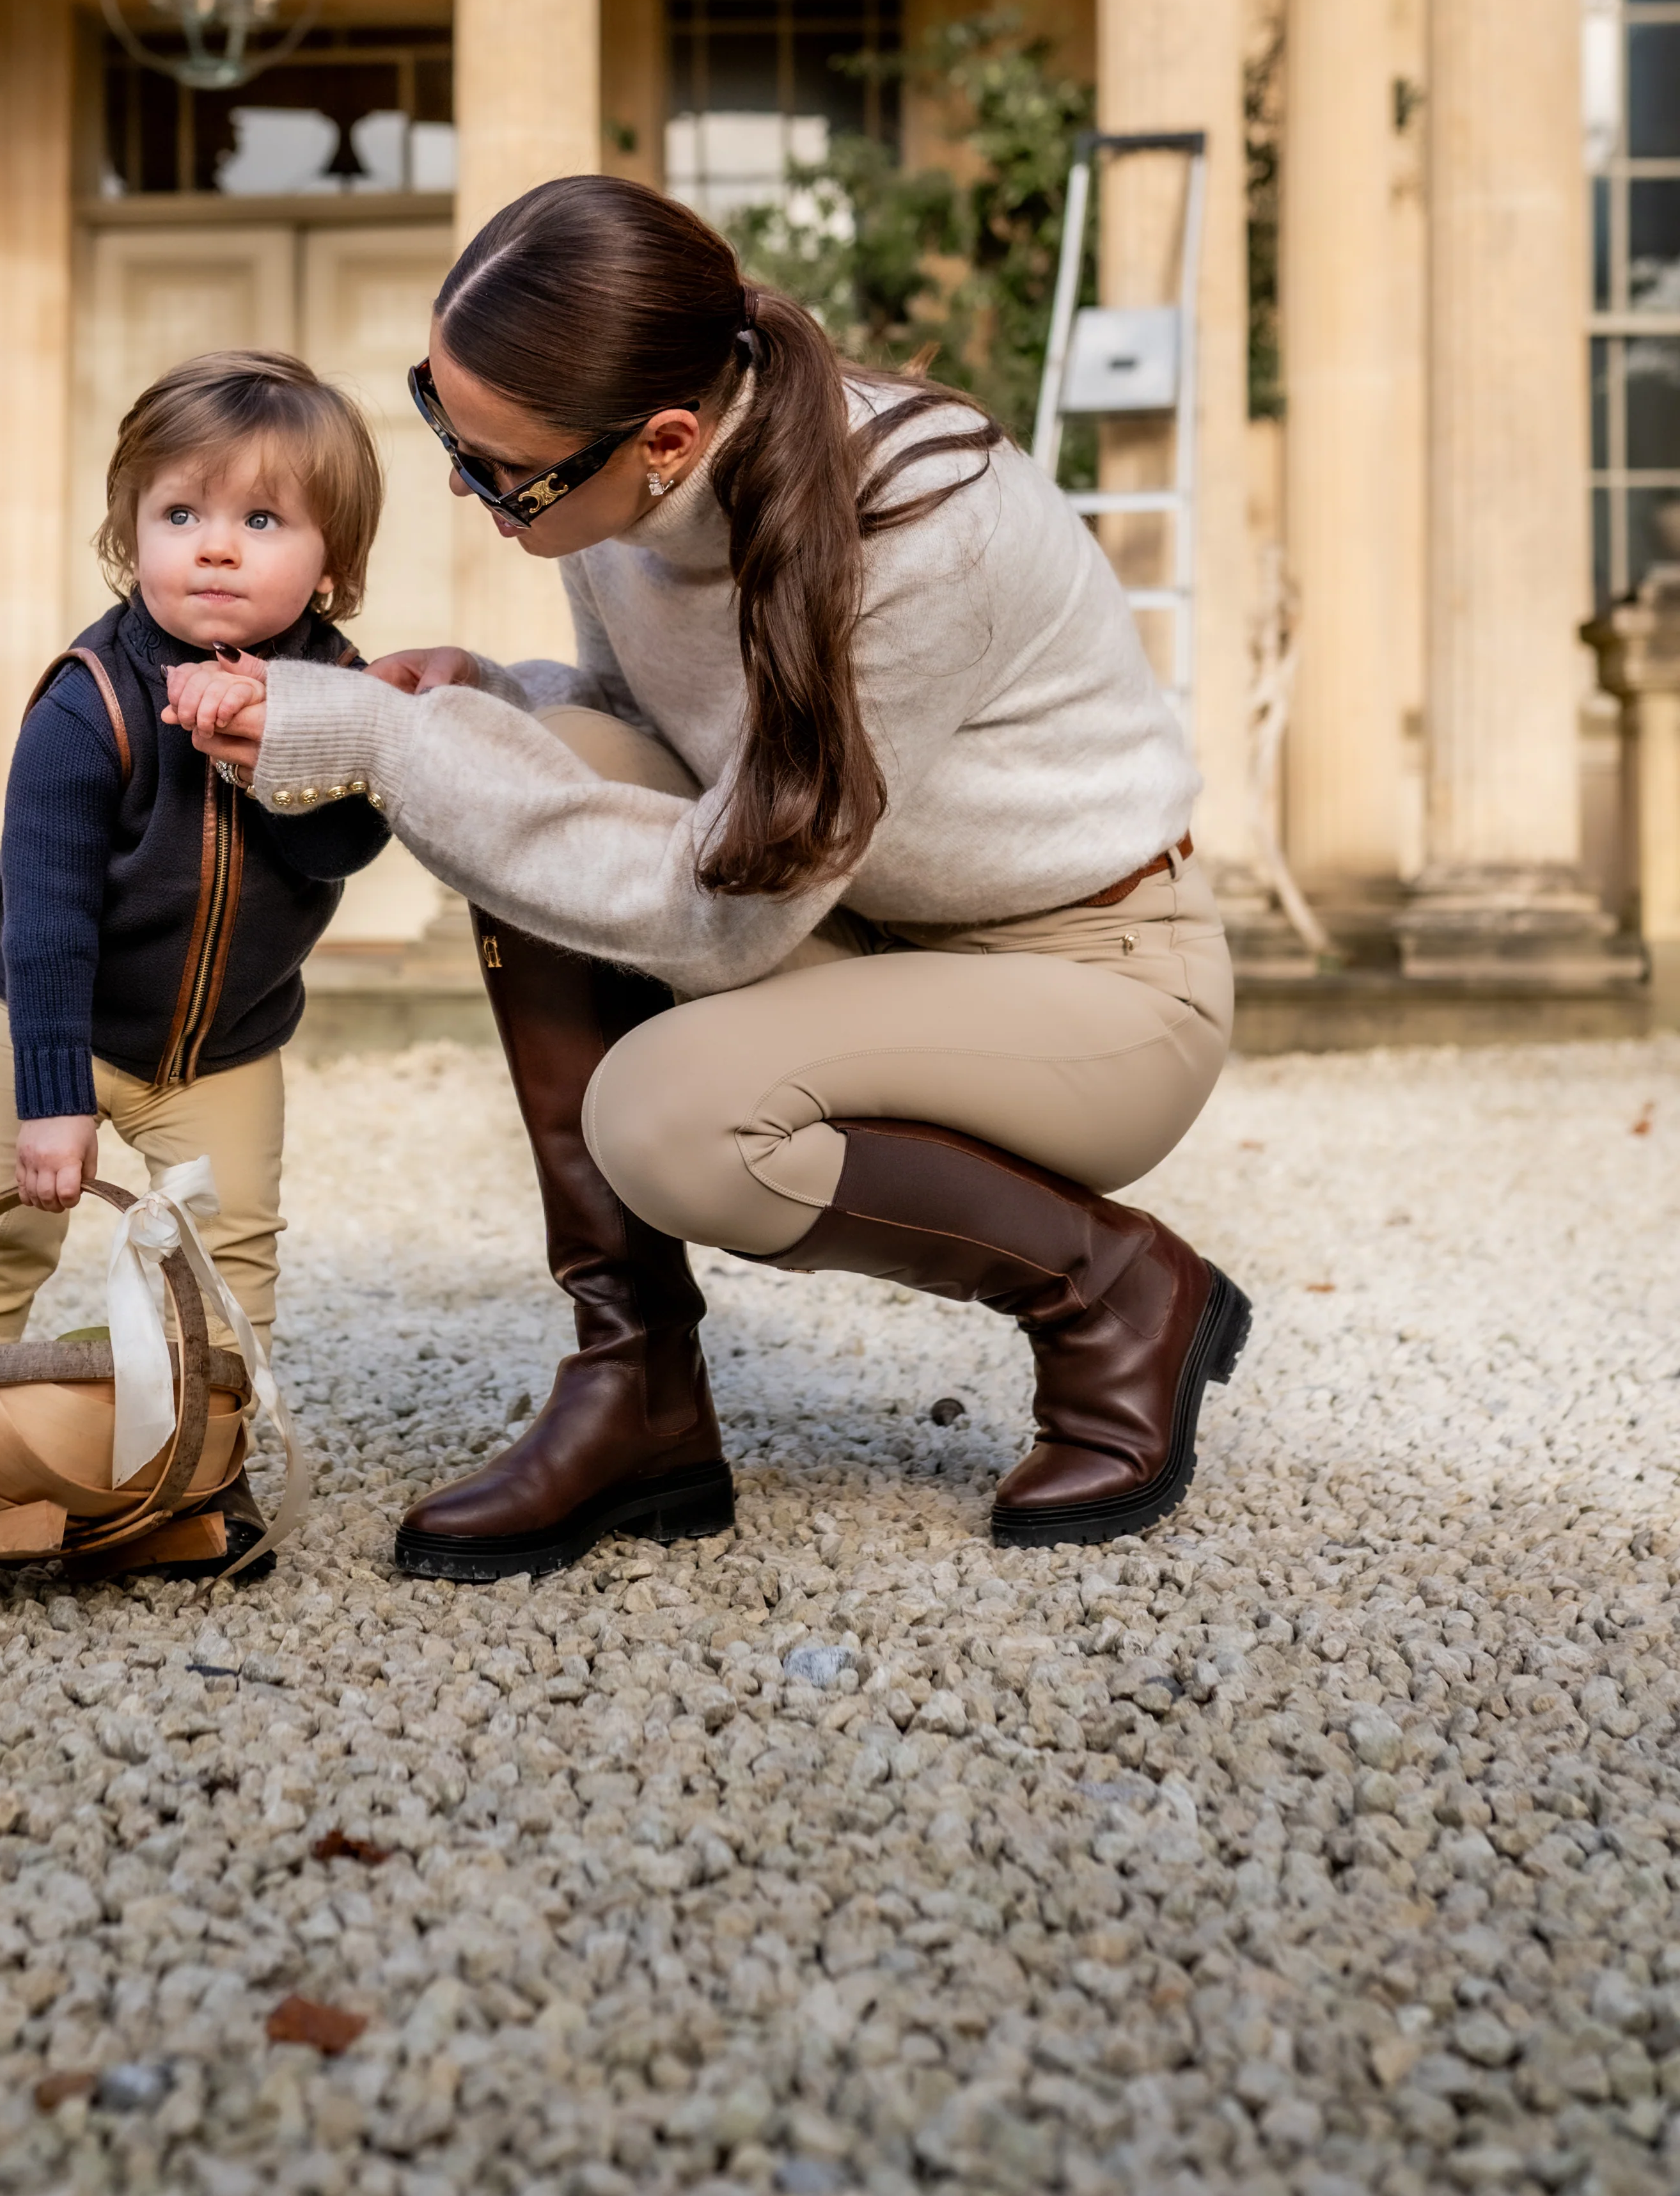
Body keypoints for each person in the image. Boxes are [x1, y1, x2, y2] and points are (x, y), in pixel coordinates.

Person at [170, 173, 1245, 1581]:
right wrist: (484, 692)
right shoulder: (618, 507)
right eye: (440, 419)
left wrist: (378, 740)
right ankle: (639, 1392)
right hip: (851, 919)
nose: (459, 481)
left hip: (1088, 979)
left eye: (498, 465)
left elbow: (719, 914)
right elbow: (641, 733)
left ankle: (1115, 1290)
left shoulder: (920, 530)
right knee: (528, 740)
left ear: (666, 438)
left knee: (673, 1123)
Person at [0, 346, 391, 1354]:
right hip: (57, 1026)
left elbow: (344, 847)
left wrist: (277, 751)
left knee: (228, 1266)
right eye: (181, 516)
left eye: (261, 521)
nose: (216, 549)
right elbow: (47, 920)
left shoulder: (341, 688)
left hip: (223, 1052)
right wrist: (50, 1104)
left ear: (334, 562)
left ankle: (205, 1475)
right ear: (130, 538)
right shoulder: (87, 703)